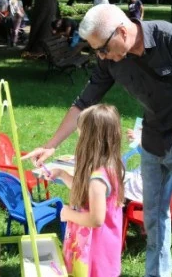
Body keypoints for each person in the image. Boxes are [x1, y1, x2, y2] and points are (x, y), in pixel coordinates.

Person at [23, 4, 172, 277]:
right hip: (152, 138)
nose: (100, 56)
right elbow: (83, 102)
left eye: (102, 48)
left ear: (122, 31)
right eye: (96, 51)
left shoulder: (171, 38)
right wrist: (51, 144)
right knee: (154, 218)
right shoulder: (110, 59)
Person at [42, 104, 125, 277]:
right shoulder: (110, 166)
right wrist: (63, 175)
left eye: (80, 133)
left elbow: (96, 219)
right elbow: (90, 196)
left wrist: (67, 214)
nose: (78, 138)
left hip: (94, 252)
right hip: (104, 246)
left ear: (90, 139)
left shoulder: (97, 180)